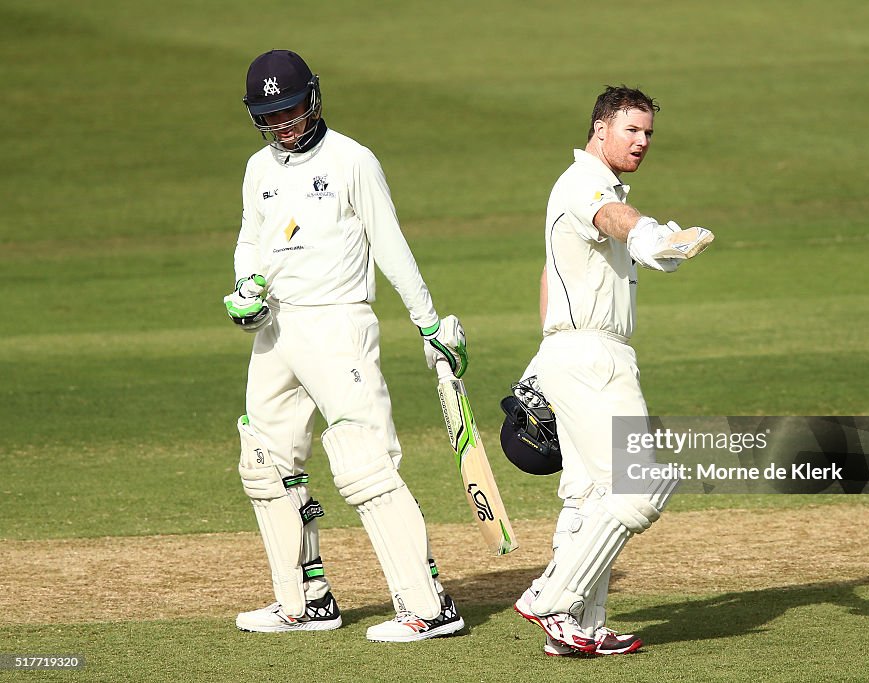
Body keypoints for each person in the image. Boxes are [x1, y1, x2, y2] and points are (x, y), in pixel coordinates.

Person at [223, 49, 466, 642]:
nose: (285, 124)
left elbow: (391, 245)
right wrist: (245, 283)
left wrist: (428, 323)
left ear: (315, 97)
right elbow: (250, 237)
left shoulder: (353, 160)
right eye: (271, 115)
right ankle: (305, 601)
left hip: (338, 324)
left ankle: (429, 605)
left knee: (365, 462)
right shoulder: (259, 169)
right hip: (276, 328)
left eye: (293, 109)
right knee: (265, 461)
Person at [512, 85, 714, 656]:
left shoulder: (576, 190)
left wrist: (541, 362)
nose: (642, 141)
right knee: (642, 483)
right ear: (601, 128)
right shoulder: (585, 182)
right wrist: (651, 234)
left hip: (569, 354)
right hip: (593, 358)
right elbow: (617, 217)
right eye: (631, 129)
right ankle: (550, 594)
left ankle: (581, 626)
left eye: (648, 132)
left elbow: (554, 275)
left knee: (588, 497)